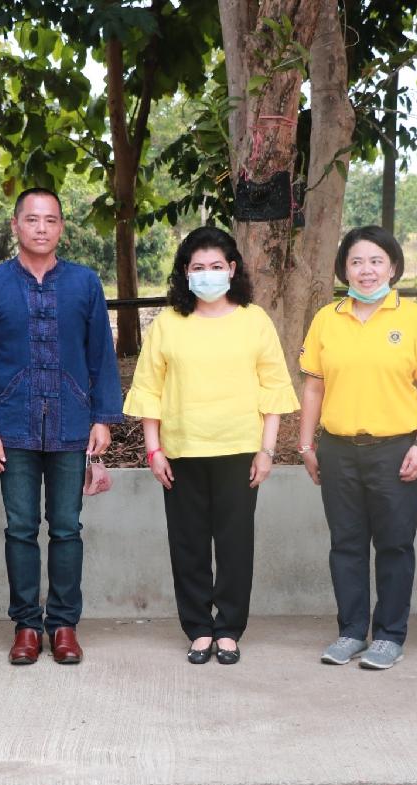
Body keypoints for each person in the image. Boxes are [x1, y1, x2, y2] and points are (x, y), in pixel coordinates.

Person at [123, 226, 298, 665]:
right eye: (198, 267)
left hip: (240, 450)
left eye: (216, 266)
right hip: (181, 451)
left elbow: (274, 388)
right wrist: (154, 450)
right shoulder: (167, 324)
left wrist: (267, 451)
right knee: (189, 545)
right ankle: (199, 628)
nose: (207, 274)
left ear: (232, 269)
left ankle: (229, 629)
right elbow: (149, 390)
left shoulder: (254, 321)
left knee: (236, 545)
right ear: (185, 272)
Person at [0, 187, 122, 666]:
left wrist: (102, 418)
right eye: (32, 219)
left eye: (50, 220)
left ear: (61, 228)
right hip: (12, 427)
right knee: (20, 529)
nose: (41, 228)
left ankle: (65, 625)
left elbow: (101, 356)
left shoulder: (84, 284)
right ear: (15, 225)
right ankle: (27, 626)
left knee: (68, 528)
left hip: (72, 423)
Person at [296, 226, 417, 671]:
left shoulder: (414, 319)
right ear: (343, 269)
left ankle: (389, 635)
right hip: (338, 449)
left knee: (395, 544)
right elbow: (313, 387)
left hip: (395, 449)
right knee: (346, 544)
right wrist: (306, 444)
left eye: (376, 261)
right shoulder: (327, 319)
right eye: (357, 262)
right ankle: (350, 631)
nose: (367, 270)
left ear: (393, 266)